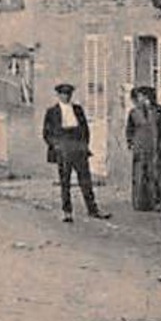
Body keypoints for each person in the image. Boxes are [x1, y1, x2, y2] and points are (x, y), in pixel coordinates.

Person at [42, 83, 110, 223]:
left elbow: (85, 129)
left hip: (78, 146)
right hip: (63, 147)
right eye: (63, 94)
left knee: (85, 180)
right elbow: (46, 133)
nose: (66, 96)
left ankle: (93, 209)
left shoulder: (78, 109)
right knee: (65, 181)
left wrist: (84, 145)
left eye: (68, 94)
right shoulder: (52, 112)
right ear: (58, 95)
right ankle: (67, 211)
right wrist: (56, 145)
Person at [125, 85, 161, 212]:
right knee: (140, 174)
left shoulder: (158, 110)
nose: (141, 99)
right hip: (140, 146)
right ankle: (140, 202)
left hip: (155, 145)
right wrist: (130, 142)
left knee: (155, 174)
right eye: (140, 97)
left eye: (143, 96)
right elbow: (129, 129)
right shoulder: (134, 112)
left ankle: (155, 202)